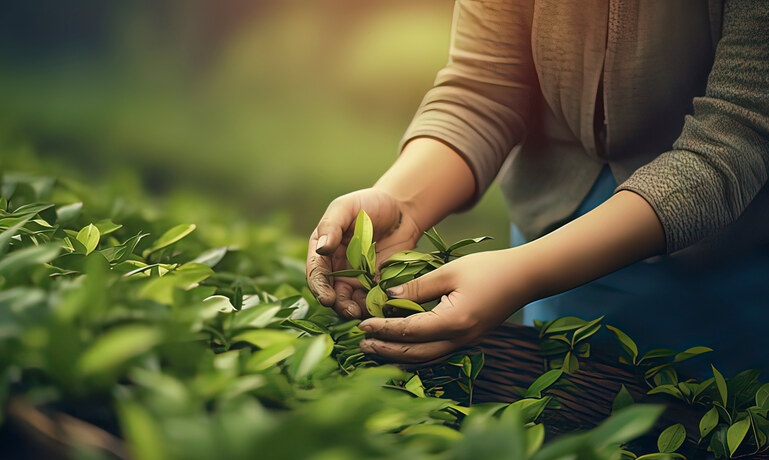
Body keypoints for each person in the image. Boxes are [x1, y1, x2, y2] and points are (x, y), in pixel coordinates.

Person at [306, 0, 769, 374]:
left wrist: (519, 275)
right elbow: (484, 87)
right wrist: (401, 202)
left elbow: (736, 137)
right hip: (547, 248)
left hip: (730, 274)